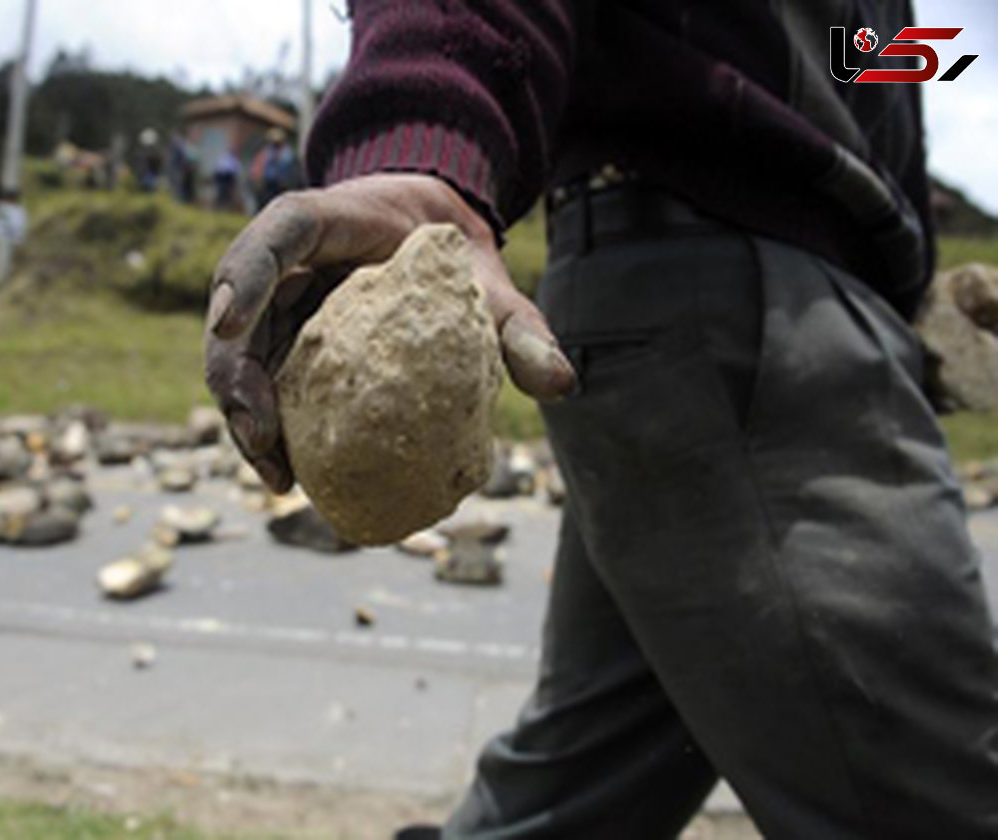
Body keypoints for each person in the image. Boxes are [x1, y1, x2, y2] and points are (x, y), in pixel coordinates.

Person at [205, 3, 998, 838]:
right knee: (949, 802)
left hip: (775, 308)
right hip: (737, 311)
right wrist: (420, 133)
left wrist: (907, 276)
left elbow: (844, 64)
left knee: (582, 785)